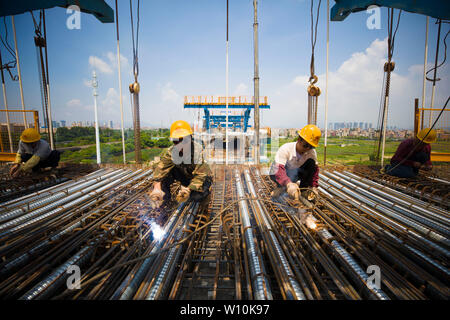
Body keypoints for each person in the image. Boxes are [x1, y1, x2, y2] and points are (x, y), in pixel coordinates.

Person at [148, 120, 212, 209]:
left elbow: (201, 176)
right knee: (163, 179)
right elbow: (160, 170)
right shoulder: (171, 152)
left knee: (196, 196)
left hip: (198, 178)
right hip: (184, 176)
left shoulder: (199, 151)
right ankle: (166, 205)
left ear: (190, 138)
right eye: (176, 141)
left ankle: (202, 205)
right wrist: (157, 188)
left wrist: (188, 190)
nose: (180, 145)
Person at [269, 124, 321, 200]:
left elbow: (314, 171)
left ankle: (303, 190)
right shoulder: (286, 149)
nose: (308, 149)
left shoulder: (311, 153)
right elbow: (279, 170)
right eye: (306, 145)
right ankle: (280, 187)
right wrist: (288, 184)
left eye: (311, 147)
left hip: (295, 174)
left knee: (311, 163)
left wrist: (314, 186)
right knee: (276, 170)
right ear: (299, 140)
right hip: (280, 174)